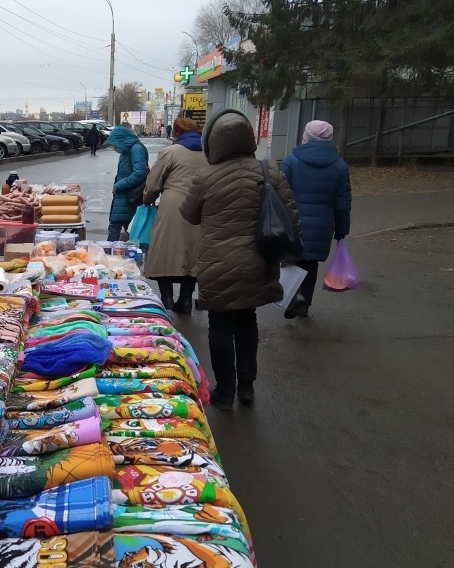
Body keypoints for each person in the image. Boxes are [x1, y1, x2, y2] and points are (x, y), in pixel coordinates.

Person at [181, 109, 300, 411]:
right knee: (248, 321)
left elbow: (189, 214)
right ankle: (246, 386)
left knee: (220, 326)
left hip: (217, 264)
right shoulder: (269, 171)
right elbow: (291, 217)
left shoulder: (205, 177)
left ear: (214, 142)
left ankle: (225, 392)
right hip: (259, 262)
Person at [280, 120, 352, 318]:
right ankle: (305, 303)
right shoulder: (339, 166)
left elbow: (280, 194)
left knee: (290, 259)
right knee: (311, 263)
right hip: (322, 225)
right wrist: (342, 229)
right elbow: (343, 202)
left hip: (294, 222)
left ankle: (295, 296)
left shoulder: (291, 161)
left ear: (307, 136)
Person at [143, 117, 207, 312]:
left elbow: (153, 184)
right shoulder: (209, 153)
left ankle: (167, 299)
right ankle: (186, 300)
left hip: (173, 205)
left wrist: (147, 199)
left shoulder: (170, 152)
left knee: (165, 252)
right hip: (201, 206)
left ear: (177, 133)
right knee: (194, 253)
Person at [106, 125, 149, 242]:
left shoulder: (136, 149)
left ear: (122, 139)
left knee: (117, 226)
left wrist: (118, 185)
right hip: (124, 195)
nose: (114, 147)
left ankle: (110, 254)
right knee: (121, 226)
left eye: (115, 144)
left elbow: (139, 173)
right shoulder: (127, 150)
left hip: (130, 195)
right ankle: (115, 253)